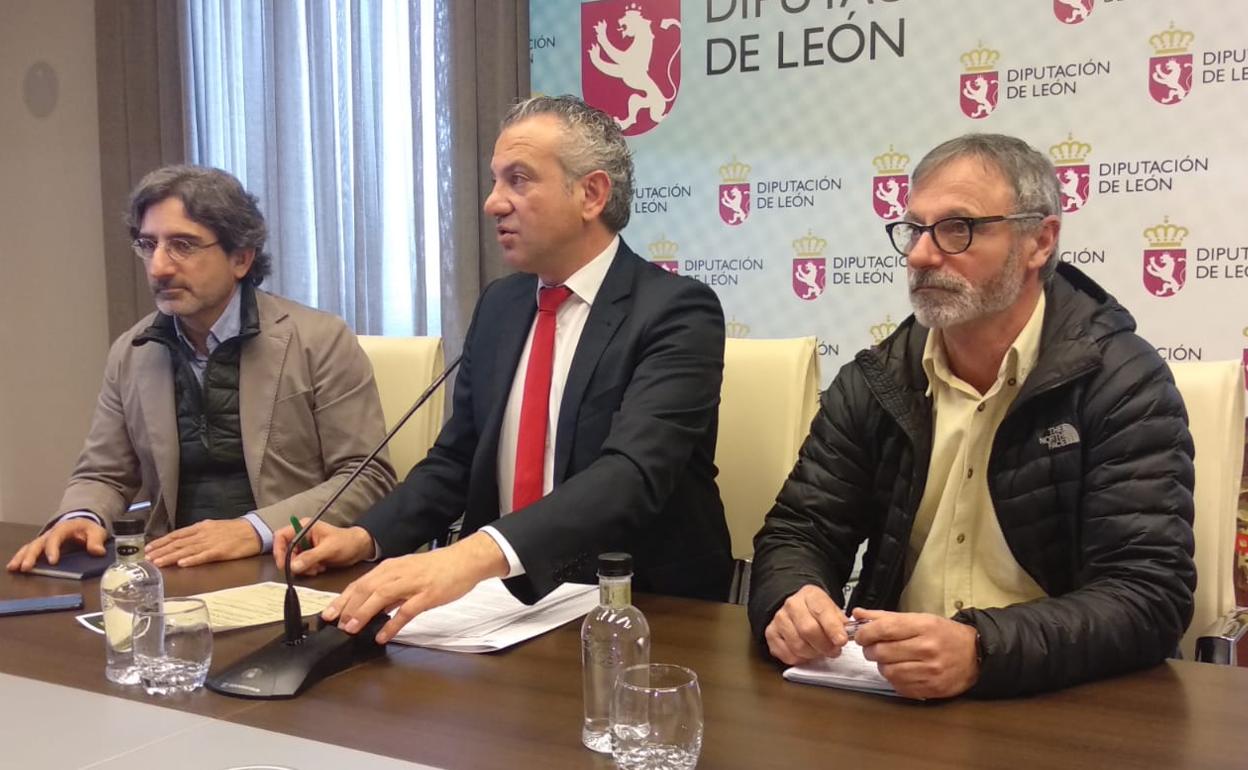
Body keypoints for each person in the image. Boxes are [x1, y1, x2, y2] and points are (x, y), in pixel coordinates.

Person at [748, 133, 1196, 699]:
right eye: (914, 229)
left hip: (1063, 698)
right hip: (895, 693)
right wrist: (793, 597)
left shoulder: (1121, 380)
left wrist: (983, 650)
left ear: (1039, 240)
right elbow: (800, 529)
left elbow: (1148, 594)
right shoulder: (877, 379)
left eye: (957, 229)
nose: (920, 255)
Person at [274, 95, 732, 643]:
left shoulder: (677, 310)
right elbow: (456, 461)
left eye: (518, 180)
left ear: (591, 194)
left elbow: (630, 476)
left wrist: (470, 556)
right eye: (495, 181)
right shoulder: (501, 304)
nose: (493, 203)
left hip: (638, 605)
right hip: (497, 603)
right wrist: (366, 535)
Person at [7, 166, 395, 574]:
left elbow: (367, 477)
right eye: (148, 244)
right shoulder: (131, 352)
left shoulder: (320, 339)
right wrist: (80, 517)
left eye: (182, 245)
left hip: (291, 565)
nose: (159, 267)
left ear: (240, 258)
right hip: (174, 569)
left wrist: (254, 529)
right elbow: (104, 474)